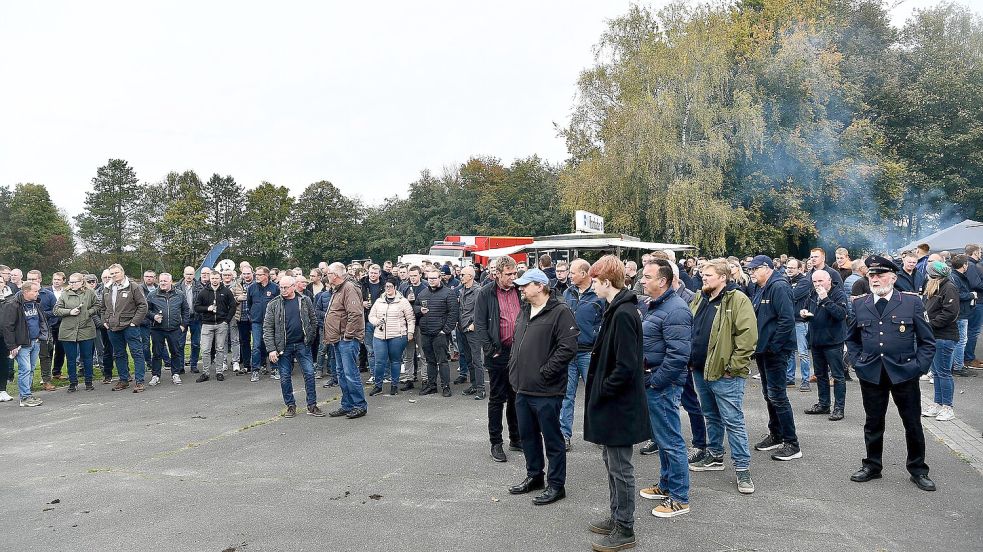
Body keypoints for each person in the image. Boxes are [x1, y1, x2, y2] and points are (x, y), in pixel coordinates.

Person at [846, 256, 936, 491]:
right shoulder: (859, 303)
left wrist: (918, 367)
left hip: (904, 373)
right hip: (872, 373)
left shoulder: (911, 302)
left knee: (912, 423)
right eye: (871, 275)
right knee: (873, 423)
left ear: (893, 278)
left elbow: (928, 341)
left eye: (880, 275)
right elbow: (852, 339)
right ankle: (872, 466)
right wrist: (858, 363)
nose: (875, 279)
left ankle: (918, 469)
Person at [583, 256, 651, 551]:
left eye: (595, 281)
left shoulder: (623, 313)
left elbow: (625, 366)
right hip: (614, 404)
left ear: (606, 282)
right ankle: (617, 517)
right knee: (611, 463)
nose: (592, 286)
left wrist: (603, 391)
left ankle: (625, 528)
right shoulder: (617, 309)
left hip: (619, 406)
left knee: (620, 467)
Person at [506, 267, 578, 507]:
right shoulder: (525, 310)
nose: (521, 289)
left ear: (540, 286)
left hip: (547, 389)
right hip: (522, 386)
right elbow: (518, 342)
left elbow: (567, 348)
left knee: (552, 439)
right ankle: (534, 476)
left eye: (525, 285)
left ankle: (556, 485)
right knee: (528, 436)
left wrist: (546, 372)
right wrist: (513, 369)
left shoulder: (560, 312)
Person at [687, 259, 757, 495]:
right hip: (700, 369)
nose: (703, 277)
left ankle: (743, 469)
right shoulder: (700, 298)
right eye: (702, 274)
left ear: (723, 277)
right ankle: (715, 456)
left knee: (733, 421)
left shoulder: (737, 300)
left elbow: (747, 338)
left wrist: (733, 368)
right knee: (711, 415)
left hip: (725, 374)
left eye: (708, 274)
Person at [637, 259, 693, 519]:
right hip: (655, 382)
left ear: (663, 281)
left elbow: (678, 355)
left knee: (671, 440)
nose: (641, 280)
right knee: (663, 439)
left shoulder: (676, 309)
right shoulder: (657, 305)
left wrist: (656, 381)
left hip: (664, 385)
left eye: (647, 276)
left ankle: (679, 498)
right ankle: (666, 485)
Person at [746, 255, 801, 461]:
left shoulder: (778, 286)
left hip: (775, 350)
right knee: (769, 395)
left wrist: (774, 347)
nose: (751, 273)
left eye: (754, 269)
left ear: (767, 268)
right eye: (750, 270)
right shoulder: (762, 287)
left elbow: (787, 320)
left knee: (777, 395)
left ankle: (792, 443)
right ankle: (776, 434)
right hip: (764, 349)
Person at [475, 255, 523, 462]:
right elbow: (479, 324)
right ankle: (496, 442)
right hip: (498, 352)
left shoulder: (520, 290)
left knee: (516, 396)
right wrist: (490, 349)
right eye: (509, 274)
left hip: (518, 351)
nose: (513, 277)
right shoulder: (486, 293)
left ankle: (516, 437)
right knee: (497, 398)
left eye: (515, 273)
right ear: (497, 273)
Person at [561, 258, 606, 451]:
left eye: (572, 272)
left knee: (595, 394)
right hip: (569, 352)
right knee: (566, 396)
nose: (569, 275)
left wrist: (595, 336)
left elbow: (604, 322)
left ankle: (600, 433)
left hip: (589, 352)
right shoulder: (567, 293)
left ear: (584, 273)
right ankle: (564, 435)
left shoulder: (599, 295)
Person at [263, 276, 322, 418]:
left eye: (286, 287)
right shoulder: (273, 304)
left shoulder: (305, 300)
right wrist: (271, 349)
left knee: (309, 374)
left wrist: (310, 337)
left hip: (302, 344)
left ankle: (312, 405)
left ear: (293, 286)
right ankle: (290, 405)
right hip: (283, 346)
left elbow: (313, 320)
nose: (283, 290)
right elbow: (267, 328)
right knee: (284, 377)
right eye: (281, 287)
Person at [801, 270, 848, 420]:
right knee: (820, 375)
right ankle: (823, 404)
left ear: (829, 280)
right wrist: (804, 314)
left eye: (820, 281)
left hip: (833, 342)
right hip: (816, 341)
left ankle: (839, 408)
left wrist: (826, 299)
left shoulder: (838, 294)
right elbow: (808, 309)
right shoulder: (812, 293)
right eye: (815, 282)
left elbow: (841, 315)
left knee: (838, 376)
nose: (817, 285)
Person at [323, 262, 368, 419]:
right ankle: (347, 404)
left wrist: (348, 335)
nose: (326, 276)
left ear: (335, 275)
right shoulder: (338, 289)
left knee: (350, 373)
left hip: (346, 339)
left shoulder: (348, 288)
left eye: (328, 273)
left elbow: (355, 313)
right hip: (338, 338)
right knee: (342, 373)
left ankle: (359, 405)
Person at [920, 261, 960, 421]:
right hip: (934, 335)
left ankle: (947, 407)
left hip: (944, 336)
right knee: (936, 373)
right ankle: (938, 404)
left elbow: (950, 313)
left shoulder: (949, 287)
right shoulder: (936, 286)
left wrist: (929, 324)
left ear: (933, 275)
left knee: (943, 373)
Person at [100, 264, 149, 393]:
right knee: (119, 354)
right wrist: (105, 320)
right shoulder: (107, 288)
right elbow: (102, 308)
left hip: (130, 326)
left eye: (116, 272)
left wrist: (134, 322)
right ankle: (123, 379)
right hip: (113, 327)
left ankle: (139, 381)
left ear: (122, 272)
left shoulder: (133, 286)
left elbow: (143, 306)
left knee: (136, 353)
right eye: (112, 274)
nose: (114, 275)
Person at [1, 281, 47, 406]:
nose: (38, 293)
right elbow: (7, 326)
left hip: (35, 341)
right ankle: (25, 398)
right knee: (25, 369)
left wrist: (41, 336)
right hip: (21, 344)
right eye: (35, 291)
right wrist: (12, 346)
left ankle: (28, 395)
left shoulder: (35, 303)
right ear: (26, 292)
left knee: (31, 369)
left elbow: (40, 320)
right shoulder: (12, 305)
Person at [415, 267, 459, 396]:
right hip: (425, 333)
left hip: (440, 333)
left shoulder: (448, 293)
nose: (432, 280)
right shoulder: (422, 293)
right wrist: (419, 310)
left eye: (434, 278)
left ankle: (446, 386)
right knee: (430, 361)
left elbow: (453, 313)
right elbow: (415, 307)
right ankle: (431, 385)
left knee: (443, 361)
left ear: (440, 278)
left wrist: (445, 331)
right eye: (429, 278)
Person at [53, 273, 99, 392]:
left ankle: (88, 382)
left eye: (75, 282)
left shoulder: (89, 293)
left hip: (86, 328)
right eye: (71, 282)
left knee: (87, 357)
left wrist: (89, 312)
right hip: (68, 329)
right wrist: (69, 311)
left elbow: (98, 305)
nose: (72, 284)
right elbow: (56, 310)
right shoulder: (65, 294)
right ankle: (73, 382)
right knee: (71, 358)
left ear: (81, 282)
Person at [367, 280, 415, 396]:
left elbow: (410, 318)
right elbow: (371, 316)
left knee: (395, 361)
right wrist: (377, 321)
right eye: (386, 286)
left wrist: (410, 332)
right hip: (379, 335)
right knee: (379, 362)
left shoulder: (403, 302)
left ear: (395, 287)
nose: (388, 289)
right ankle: (378, 385)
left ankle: (394, 385)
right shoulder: (379, 301)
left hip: (397, 335)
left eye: (390, 286)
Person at [146, 273, 189, 385]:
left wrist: (183, 325)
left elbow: (185, 310)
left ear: (171, 281)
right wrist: (154, 316)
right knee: (156, 353)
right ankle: (155, 375)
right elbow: (146, 310)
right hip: (157, 329)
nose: (163, 283)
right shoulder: (152, 295)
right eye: (161, 281)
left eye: (165, 281)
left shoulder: (179, 294)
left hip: (174, 329)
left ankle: (175, 374)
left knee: (175, 352)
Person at [195, 270, 236, 382]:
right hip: (207, 324)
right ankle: (206, 373)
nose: (214, 280)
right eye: (212, 278)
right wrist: (207, 308)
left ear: (220, 279)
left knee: (220, 349)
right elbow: (197, 307)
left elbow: (232, 306)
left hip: (221, 324)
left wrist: (226, 321)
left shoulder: (226, 291)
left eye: (217, 278)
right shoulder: (203, 292)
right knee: (206, 350)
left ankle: (219, 372)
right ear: (210, 279)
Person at [457, 266, 486, 399]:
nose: (461, 276)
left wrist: (474, 324)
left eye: (463, 274)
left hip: (472, 329)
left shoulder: (478, 290)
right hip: (462, 328)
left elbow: (481, 310)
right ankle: (474, 385)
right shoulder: (462, 290)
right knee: (468, 358)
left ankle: (481, 388)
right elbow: (462, 309)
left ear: (471, 276)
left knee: (476, 360)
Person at [247, 266, 279, 382]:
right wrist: (252, 316)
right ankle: (255, 370)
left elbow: (279, 305)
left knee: (271, 345)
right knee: (256, 346)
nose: (257, 276)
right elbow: (249, 304)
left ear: (266, 275)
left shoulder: (275, 288)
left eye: (259, 274)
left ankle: (275, 368)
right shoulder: (252, 288)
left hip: (271, 322)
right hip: (256, 322)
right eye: (256, 274)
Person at [398, 266, 427, 389]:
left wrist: (417, 307)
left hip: (420, 324)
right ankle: (409, 378)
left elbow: (426, 307)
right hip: (408, 325)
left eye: (415, 275)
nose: (413, 278)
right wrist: (406, 300)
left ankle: (425, 379)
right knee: (408, 354)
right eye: (411, 275)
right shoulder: (404, 287)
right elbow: (398, 303)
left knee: (423, 353)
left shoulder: (425, 288)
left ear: (420, 275)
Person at [787, 258, 813, 391]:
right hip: (788, 321)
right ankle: (789, 378)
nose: (789, 270)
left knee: (802, 353)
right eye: (788, 267)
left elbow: (791, 296)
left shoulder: (804, 282)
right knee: (790, 351)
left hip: (800, 321)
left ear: (800, 269)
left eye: (792, 267)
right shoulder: (786, 280)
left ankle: (805, 380)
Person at [950, 255, 976, 379]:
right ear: (964, 265)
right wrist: (971, 295)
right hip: (960, 313)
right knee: (961, 341)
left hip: (960, 312)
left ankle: (956, 365)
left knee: (959, 340)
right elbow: (958, 295)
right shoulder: (956, 278)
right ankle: (958, 367)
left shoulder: (954, 276)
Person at [175, 267, 204, 375]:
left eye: (191, 274)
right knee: (180, 343)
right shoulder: (177, 287)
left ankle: (194, 365)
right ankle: (180, 366)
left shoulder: (199, 287)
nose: (189, 276)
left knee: (196, 343)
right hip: (182, 318)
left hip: (195, 317)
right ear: (183, 274)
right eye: (187, 274)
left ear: (194, 275)